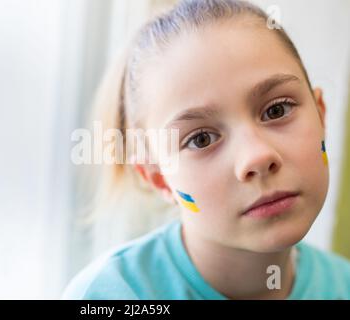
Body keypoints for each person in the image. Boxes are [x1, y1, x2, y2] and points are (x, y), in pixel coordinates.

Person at [62, 0, 350, 299]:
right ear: (159, 178)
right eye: (201, 139)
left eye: (277, 110)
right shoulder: (110, 296)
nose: (257, 156)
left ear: (321, 115)